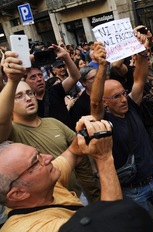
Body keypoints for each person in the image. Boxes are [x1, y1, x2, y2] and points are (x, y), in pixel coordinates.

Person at [90, 39, 153, 224]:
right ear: (105, 102)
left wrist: (143, 54)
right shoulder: (103, 122)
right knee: (141, 225)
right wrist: (102, 67)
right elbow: (94, 103)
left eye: (123, 93)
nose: (123, 99)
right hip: (133, 188)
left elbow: (139, 79)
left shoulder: (131, 105)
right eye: (116, 96)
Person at [0, 50, 100, 203]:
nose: (27, 98)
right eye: (19, 96)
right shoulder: (11, 133)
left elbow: (79, 152)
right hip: (45, 204)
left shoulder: (53, 123)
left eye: (29, 93)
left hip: (77, 196)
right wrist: (12, 81)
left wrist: (92, 190)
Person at [0, 116, 120, 232]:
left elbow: (73, 152)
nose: (49, 157)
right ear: (18, 193)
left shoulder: (44, 182)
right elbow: (114, 224)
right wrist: (105, 158)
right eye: (36, 161)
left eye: (38, 153)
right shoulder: (33, 228)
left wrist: (85, 133)